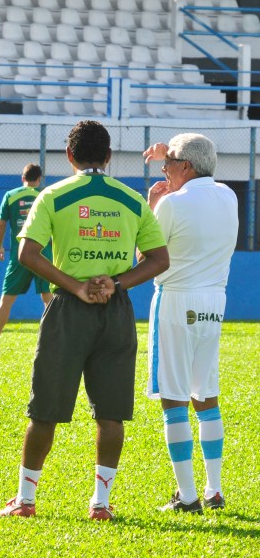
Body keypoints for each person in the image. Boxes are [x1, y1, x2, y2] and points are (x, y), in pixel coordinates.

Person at [0, 120, 169, 521]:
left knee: (45, 409)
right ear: (109, 157)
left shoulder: (53, 196)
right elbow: (160, 259)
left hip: (68, 310)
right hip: (116, 311)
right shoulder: (131, 200)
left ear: (69, 156)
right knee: (111, 413)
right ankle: (101, 504)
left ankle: (25, 500)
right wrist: (115, 282)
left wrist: (76, 288)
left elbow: (28, 254)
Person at [142, 134, 238, 514]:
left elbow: (146, 254)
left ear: (185, 167)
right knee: (206, 396)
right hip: (214, 302)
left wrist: (153, 204)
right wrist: (173, 154)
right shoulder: (229, 196)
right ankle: (214, 490)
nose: (164, 172)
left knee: (174, 399)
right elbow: (197, 170)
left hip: (176, 299)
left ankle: (187, 496)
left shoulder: (171, 204)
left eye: (168, 166)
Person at [0, 164, 52, 350]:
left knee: (7, 299)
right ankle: (53, 342)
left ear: (22, 178)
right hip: (44, 254)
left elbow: (1, 224)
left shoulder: (11, 195)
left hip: (20, 254)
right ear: (40, 178)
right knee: (48, 298)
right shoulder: (46, 195)